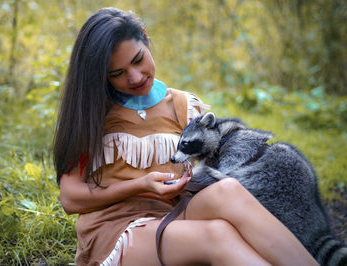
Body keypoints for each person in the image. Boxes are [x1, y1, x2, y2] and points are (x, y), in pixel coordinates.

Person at [53, 7, 318, 266]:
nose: (134, 77)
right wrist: (141, 185)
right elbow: (71, 198)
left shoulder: (183, 106)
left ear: (145, 37)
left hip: (175, 216)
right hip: (118, 231)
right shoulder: (91, 115)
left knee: (228, 189)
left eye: (137, 60)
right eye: (117, 73)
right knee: (218, 235)